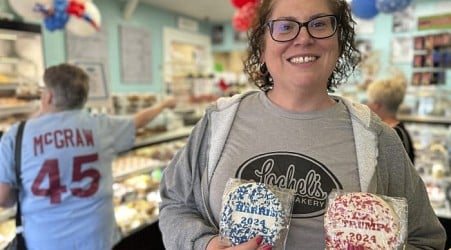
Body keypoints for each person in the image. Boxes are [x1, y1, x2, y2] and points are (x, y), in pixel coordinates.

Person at [158, 0, 446, 250]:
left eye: (319, 24)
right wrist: (204, 245)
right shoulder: (218, 122)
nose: (303, 38)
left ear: (339, 41)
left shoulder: (378, 137)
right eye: (285, 26)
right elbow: (175, 204)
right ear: (262, 45)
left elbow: (427, 238)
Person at [0, 63, 177, 250]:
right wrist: (164, 104)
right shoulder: (101, 126)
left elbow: (3, 198)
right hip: (97, 239)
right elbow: (139, 121)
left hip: (45, 242)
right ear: (83, 98)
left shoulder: (16, 136)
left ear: (48, 96)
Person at [366, 73, 416, 164]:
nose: (367, 105)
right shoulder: (398, 132)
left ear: (376, 105)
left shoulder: (391, 136)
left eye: (369, 101)